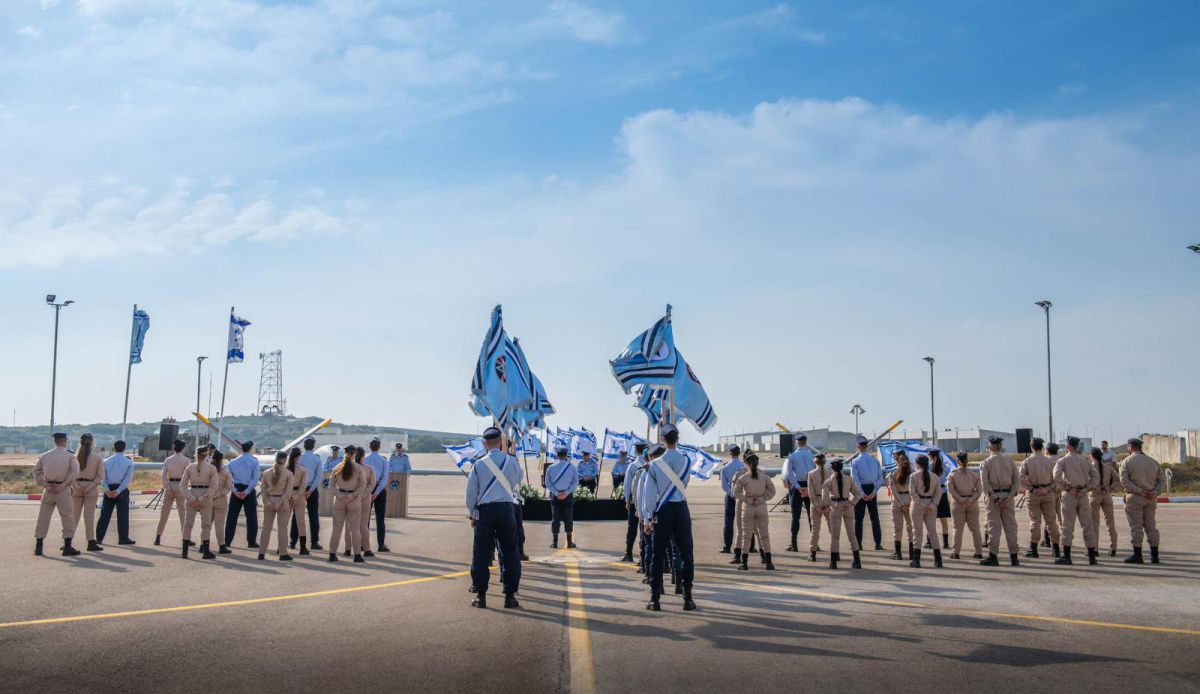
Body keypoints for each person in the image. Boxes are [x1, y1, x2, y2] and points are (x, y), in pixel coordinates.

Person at [465, 427, 523, 609]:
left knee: (481, 554)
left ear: (484, 444)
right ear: (500, 442)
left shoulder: (478, 464)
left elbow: (471, 494)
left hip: (485, 512)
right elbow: (516, 482)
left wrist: (473, 514)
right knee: (509, 553)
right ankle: (510, 596)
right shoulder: (512, 461)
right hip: (506, 509)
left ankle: (481, 596)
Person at [642, 424, 695, 612]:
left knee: (657, 554)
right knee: (686, 554)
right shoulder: (686, 461)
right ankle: (687, 597)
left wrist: (648, 518)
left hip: (663, 511)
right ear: (677, 439)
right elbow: (684, 483)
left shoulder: (654, 464)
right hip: (681, 508)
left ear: (663, 440)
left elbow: (649, 494)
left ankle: (655, 599)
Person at [1053, 436, 1099, 566]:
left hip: (1070, 494)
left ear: (1067, 446)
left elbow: (1056, 476)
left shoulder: (1062, 461)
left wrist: (1067, 487)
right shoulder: (1085, 461)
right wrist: (1086, 489)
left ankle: (1067, 556)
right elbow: (1095, 477)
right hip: (1083, 494)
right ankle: (1091, 556)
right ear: (1077, 446)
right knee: (1087, 525)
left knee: (1067, 526)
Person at [34, 432, 81, 557]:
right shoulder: (70, 456)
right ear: (64, 440)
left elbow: (36, 471)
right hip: (62, 489)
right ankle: (67, 546)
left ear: (55, 441)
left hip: (48, 489)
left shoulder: (45, 455)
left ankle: (39, 545)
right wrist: (64, 484)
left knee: (43, 517)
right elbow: (75, 472)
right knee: (67, 517)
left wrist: (45, 484)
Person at [1119, 437, 1164, 564]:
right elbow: (1161, 481)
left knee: (1136, 526)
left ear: (1130, 447)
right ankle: (1155, 555)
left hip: (1135, 497)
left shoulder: (1127, 461)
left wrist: (1139, 491)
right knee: (1151, 526)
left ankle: (1137, 554)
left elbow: (1124, 481)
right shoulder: (1153, 461)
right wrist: (1154, 492)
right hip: (1150, 498)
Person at [979, 435, 1021, 566]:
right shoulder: (1010, 462)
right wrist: (1008, 497)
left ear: (990, 447)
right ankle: (1014, 557)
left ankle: (993, 556)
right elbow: (1017, 483)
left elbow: (985, 484)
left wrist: (995, 498)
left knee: (994, 528)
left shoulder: (986, 463)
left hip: (994, 498)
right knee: (1011, 527)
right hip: (1008, 497)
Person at [733, 451, 776, 571]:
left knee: (746, 535)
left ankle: (744, 563)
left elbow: (735, 493)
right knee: (764, 535)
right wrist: (762, 499)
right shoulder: (765, 477)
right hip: (761, 507)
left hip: (748, 507)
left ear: (746, 463)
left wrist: (747, 500)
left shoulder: (743, 477)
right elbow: (772, 491)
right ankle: (769, 562)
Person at [1020, 437, 1061, 559]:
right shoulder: (1050, 462)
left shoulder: (1027, 461)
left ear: (1031, 447)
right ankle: (1056, 548)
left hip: (1033, 494)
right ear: (1042, 447)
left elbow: (1020, 477)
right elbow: (1057, 479)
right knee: (1051, 521)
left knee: (1035, 521)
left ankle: (1033, 548)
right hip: (1048, 493)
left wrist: (1031, 488)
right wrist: (1047, 489)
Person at [180, 443, 219, 560]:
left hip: (192, 494)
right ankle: (205, 551)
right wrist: (202, 498)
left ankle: (184, 551)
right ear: (207, 454)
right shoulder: (211, 468)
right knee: (206, 525)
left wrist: (191, 498)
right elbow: (214, 487)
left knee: (188, 524)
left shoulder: (190, 467)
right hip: (205, 497)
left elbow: (182, 486)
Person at [823, 457, 862, 569]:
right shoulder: (849, 479)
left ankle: (833, 562)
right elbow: (858, 494)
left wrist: (835, 505)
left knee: (835, 536)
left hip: (836, 507)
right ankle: (857, 561)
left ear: (832, 468)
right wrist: (851, 503)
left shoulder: (828, 482)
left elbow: (825, 499)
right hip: (848, 506)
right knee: (852, 535)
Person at [328, 446, 366, 563]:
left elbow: (331, 486)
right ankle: (357, 555)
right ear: (354, 454)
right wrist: (352, 495)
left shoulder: (337, 467)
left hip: (339, 500)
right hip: (353, 500)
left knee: (336, 529)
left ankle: (332, 554)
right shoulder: (359, 468)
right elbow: (362, 485)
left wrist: (340, 496)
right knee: (354, 529)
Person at [96, 439, 135, 547]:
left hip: (109, 489)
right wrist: (118, 491)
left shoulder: (106, 461)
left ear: (114, 448)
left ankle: (99, 538)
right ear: (124, 448)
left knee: (104, 515)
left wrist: (107, 489)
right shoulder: (128, 462)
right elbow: (127, 479)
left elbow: (102, 477)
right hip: (121, 490)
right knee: (122, 515)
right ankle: (123, 538)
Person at [256, 452, 294, 561]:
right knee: (282, 529)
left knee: (266, 528)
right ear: (285, 460)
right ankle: (283, 553)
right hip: (282, 502)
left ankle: (261, 553)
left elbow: (262, 489)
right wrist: (280, 502)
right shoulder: (288, 474)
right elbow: (288, 492)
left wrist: (266, 501)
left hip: (269, 500)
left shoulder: (266, 472)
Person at [70, 433, 105, 552]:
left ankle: (68, 541)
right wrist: (90, 486)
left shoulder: (74, 457)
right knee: (89, 517)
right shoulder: (97, 457)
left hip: (76, 488)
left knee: (74, 516)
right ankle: (90, 542)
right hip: (91, 488)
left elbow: (70, 475)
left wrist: (76, 486)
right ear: (92, 442)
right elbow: (100, 476)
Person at [850, 435, 884, 551]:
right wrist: (874, 491)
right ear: (867, 446)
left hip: (861, 490)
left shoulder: (855, 461)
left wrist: (861, 493)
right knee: (874, 518)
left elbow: (855, 479)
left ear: (858, 446)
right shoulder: (875, 460)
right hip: (872, 488)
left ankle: (858, 544)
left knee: (858, 519)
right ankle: (878, 543)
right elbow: (880, 478)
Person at [225, 440, 261, 549]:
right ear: (250, 449)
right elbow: (255, 480)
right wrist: (246, 492)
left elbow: (228, 479)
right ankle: (251, 541)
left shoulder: (232, 462)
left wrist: (235, 491)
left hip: (236, 489)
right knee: (251, 517)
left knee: (232, 517)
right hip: (248, 490)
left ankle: (227, 541)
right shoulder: (254, 461)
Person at [946, 451, 982, 560]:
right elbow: (979, 490)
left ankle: (956, 552)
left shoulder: (952, 474)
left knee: (957, 528)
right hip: (972, 502)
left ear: (957, 461)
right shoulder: (974, 474)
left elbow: (951, 491)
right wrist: (971, 500)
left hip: (958, 503)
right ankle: (978, 552)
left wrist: (961, 500)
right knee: (975, 529)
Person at [909, 454, 943, 568]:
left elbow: (913, 493)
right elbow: (938, 493)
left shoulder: (914, 476)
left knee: (917, 532)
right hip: (931, 504)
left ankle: (916, 560)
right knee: (932, 532)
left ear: (917, 464)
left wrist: (921, 504)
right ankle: (938, 560)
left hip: (918, 506)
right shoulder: (935, 477)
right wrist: (933, 505)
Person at [290, 437, 324, 552]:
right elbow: (318, 476)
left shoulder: (299, 457)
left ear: (304, 445)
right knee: (313, 516)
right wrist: (310, 490)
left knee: (296, 516)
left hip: (297, 489)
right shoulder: (317, 459)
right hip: (311, 489)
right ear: (313, 445)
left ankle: (293, 541)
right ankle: (314, 542)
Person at [155, 438, 191, 547]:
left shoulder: (168, 460)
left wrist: (168, 488)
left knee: (164, 514)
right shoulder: (186, 460)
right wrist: (182, 489)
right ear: (183, 448)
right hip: (181, 486)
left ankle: (158, 537)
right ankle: (185, 538)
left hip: (170, 485)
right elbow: (187, 476)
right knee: (183, 514)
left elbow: (163, 475)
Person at [783, 433, 815, 552]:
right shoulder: (812, 456)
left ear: (797, 442)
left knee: (795, 517)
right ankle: (814, 543)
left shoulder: (792, 457)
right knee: (812, 516)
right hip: (810, 487)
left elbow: (789, 474)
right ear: (805, 442)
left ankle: (793, 543)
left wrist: (797, 487)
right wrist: (809, 487)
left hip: (797, 488)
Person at [545, 445, 579, 549]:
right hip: (567, 496)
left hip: (556, 496)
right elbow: (576, 482)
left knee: (555, 518)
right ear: (566, 455)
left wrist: (556, 493)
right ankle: (569, 542)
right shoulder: (572, 467)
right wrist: (567, 492)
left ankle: (554, 542)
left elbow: (547, 482)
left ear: (557, 455)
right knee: (568, 518)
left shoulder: (551, 468)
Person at [1090, 446, 1121, 557]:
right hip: (1106, 495)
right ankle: (1113, 547)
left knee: (1094, 523)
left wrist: (1092, 488)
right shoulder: (1108, 467)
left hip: (1094, 495)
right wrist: (1110, 487)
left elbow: (1086, 481)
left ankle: (1094, 548)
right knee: (1110, 523)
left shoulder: (1090, 467)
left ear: (1092, 455)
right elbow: (1117, 479)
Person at [622, 442, 649, 564]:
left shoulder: (632, 466)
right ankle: (643, 557)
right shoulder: (650, 464)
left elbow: (627, 486)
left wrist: (627, 500)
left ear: (636, 451)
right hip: (647, 501)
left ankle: (629, 553)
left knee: (632, 528)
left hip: (634, 502)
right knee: (645, 529)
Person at [719, 445, 746, 558]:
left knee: (728, 522)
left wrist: (732, 494)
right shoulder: (745, 466)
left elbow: (724, 485)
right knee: (747, 521)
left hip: (731, 496)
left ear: (730, 453)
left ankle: (727, 546)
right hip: (744, 496)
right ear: (739, 453)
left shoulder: (725, 467)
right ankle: (750, 546)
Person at [363, 438, 390, 553]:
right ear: (379, 447)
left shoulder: (365, 460)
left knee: (365, 518)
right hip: (379, 489)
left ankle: (364, 544)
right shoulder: (384, 460)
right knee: (380, 518)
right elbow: (384, 479)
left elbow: (363, 478)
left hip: (367, 489)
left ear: (370, 447)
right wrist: (377, 492)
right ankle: (381, 544)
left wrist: (369, 492)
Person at [886, 450, 914, 561]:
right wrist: (909, 502)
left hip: (897, 501)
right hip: (909, 500)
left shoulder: (893, 473)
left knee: (897, 528)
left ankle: (898, 553)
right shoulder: (912, 473)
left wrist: (901, 504)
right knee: (910, 528)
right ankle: (912, 553)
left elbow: (893, 490)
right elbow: (915, 490)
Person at [285, 447, 311, 555]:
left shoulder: (285, 468)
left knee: (284, 522)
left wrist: (288, 494)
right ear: (298, 456)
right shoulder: (303, 469)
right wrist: (297, 495)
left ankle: (281, 546)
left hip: (286, 495)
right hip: (298, 496)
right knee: (301, 522)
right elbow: (304, 485)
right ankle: (303, 547)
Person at [806, 454, 831, 562]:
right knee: (833, 529)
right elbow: (833, 491)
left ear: (815, 462)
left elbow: (810, 492)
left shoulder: (811, 474)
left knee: (815, 530)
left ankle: (813, 553)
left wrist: (816, 506)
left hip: (816, 500)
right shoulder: (830, 473)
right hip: (827, 501)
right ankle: (836, 552)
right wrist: (829, 505)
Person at [209, 449, 234, 554]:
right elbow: (229, 486)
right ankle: (222, 546)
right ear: (221, 459)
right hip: (221, 499)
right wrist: (220, 493)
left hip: (208, 498)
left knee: (206, 524)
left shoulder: (208, 470)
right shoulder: (225, 471)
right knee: (219, 525)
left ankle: (203, 544)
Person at [930, 449, 951, 550]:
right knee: (944, 520)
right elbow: (949, 475)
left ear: (931, 456)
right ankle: (945, 542)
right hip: (943, 493)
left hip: (932, 494)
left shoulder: (929, 466)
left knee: (930, 519)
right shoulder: (944, 465)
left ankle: (929, 541)